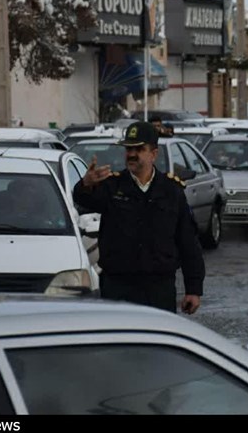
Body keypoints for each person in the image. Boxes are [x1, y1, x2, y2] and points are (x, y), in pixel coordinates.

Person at [73, 121, 204, 314]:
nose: (132, 154)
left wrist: (193, 289)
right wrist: (85, 184)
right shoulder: (112, 186)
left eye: (139, 149)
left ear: (153, 154)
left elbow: (188, 242)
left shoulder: (171, 191)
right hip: (118, 287)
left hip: (159, 288)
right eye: (129, 149)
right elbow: (84, 200)